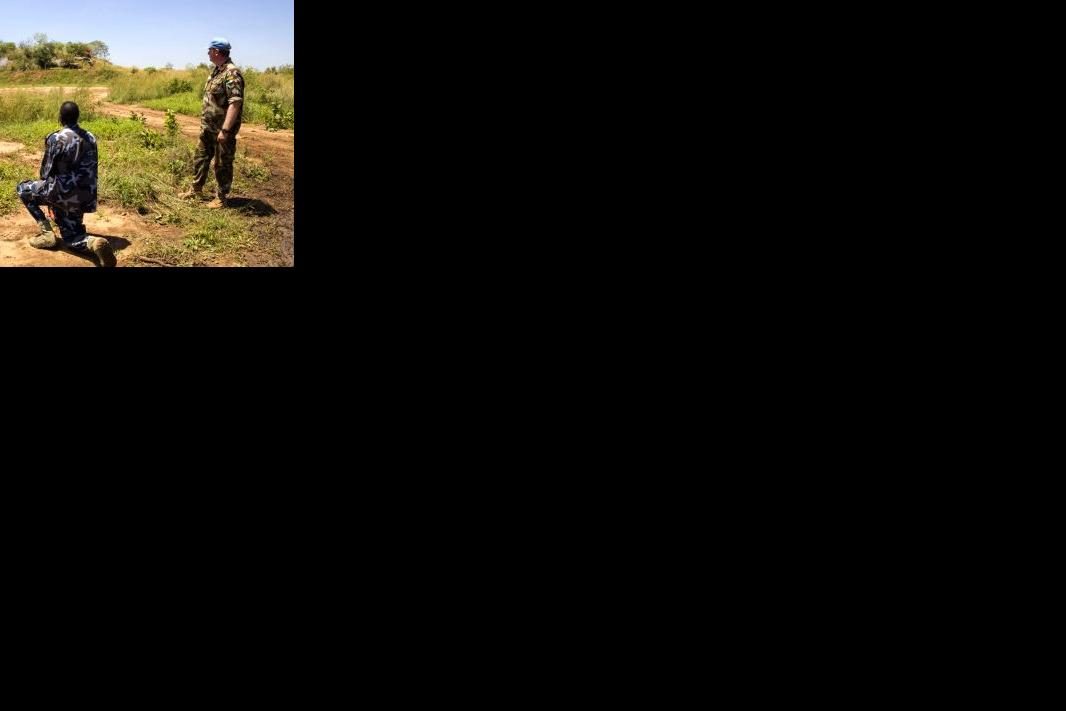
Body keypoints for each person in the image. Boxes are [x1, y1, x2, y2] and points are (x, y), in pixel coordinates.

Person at [16, 101, 115, 267]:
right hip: (84, 196)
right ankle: (93, 243)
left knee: (23, 189)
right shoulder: (90, 137)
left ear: (60, 118)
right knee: (72, 238)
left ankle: (47, 235)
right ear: (77, 117)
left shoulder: (56, 138)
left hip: (62, 194)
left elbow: (45, 173)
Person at [179, 37, 244, 208]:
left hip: (222, 130)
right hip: (208, 128)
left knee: (222, 164)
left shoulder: (231, 73)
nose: (207, 53)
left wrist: (225, 130)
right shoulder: (216, 72)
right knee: (200, 157)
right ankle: (196, 190)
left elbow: (235, 103)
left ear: (216, 51)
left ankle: (221, 198)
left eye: (209, 50)